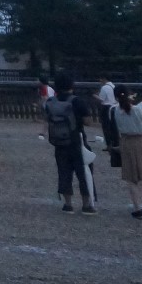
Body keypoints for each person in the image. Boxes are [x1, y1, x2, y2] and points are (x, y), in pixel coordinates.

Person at [44, 71, 95, 214]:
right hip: (77, 140)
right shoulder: (77, 101)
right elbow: (88, 122)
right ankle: (86, 204)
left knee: (64, 172)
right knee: (84, 172)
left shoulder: (50, 102)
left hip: (59, 142)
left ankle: (68, 204)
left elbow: (47, 118)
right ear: (71, 84)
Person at [110, 87, 142, 218]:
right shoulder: (139, 110)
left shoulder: (115, 111)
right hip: (141, 141)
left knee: (131, 178)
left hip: (126, 142)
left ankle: (137, 208)